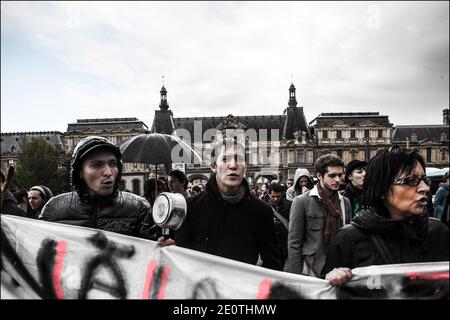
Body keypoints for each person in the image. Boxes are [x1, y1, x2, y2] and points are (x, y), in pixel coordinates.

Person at [323, 146, 449, 286]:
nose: (425, 188)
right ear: (381, 189)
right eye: (411, 180)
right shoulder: (348, 239)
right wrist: (331, 278)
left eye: (424, 180)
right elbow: (324, 290)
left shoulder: (438, 231)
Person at [174, 138, 281, 270]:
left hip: (243, 288)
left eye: (239, 159)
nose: (233, 165)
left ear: (245, 166)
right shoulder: (190, 207)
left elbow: (272, 264)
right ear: (213, 166)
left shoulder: (261, 211)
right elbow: (180, 259)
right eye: (225, 159)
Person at [39, 136, 156, 239]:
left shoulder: (139, 208)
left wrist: (163, 247)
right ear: (80, 171)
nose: (108, 172)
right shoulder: (53, 209)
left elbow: (151, 254)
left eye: (112, 164)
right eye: (97, 165)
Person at [287, 154, 352, 276]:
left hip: (340, 268)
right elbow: (294, 243)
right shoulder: (301, 201)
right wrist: (297, 276)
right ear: (319, 175)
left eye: (340, 175)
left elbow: (348, 239)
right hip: (312, 268)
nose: (338, 179)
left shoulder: (345, 202)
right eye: (332, 175)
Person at [265, 182, 292, 268]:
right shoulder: (262, 206)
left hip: (283, 243)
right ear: (268, 193)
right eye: (273, 196)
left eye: (278, 196)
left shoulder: (289, 206)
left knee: (280, 266)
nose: (276, 199)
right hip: (268, 243)